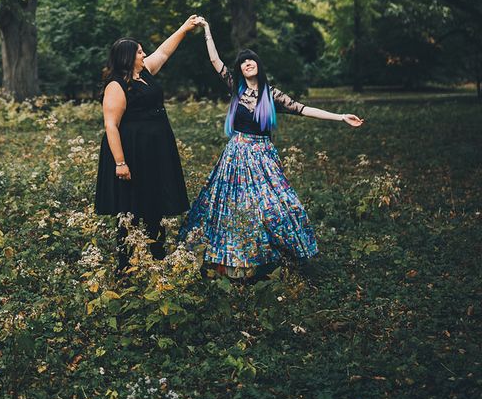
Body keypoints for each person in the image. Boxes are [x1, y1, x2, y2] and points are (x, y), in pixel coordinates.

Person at [180, 19, 363, 280]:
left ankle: (291, 260)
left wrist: (340, 116)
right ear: (240, 69)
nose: (247, 63)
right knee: (233, 208)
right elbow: (215, 62)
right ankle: (240, 268)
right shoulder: (236, 88)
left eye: (251, 59)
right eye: (242, 61)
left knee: (283, 206)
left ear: (258, 65)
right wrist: (207, 31)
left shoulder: (271, 95)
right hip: (236, 157)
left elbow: (302, 109)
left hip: (263, 157)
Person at [94, 16, 201, 273]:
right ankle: (126, 265)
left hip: (155, 150)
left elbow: (164, 50)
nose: (144, 54)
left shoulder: (145, 73)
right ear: (127, 57)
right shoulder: (116, 86)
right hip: (131, 151)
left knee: (155, 202)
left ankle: (158, 257)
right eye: (140, 52)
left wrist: (184, 28)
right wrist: (120, 162)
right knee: (129, 207)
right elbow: (111, 125)